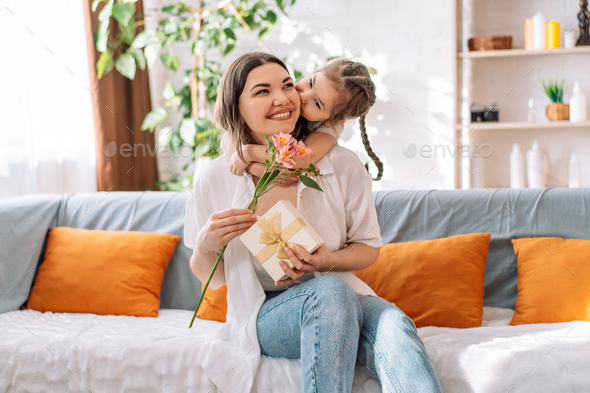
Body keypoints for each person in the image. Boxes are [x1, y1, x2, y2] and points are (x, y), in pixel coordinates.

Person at [183, 52, 442, 393]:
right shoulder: (217, 177)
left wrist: (328, 260)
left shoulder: (344, 166)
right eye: (262, 91)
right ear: (236, 105)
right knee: (330, 292)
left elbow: (369, 246)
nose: (283, 98)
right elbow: (212, 280)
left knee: (394, 324)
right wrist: (207, 244)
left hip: (346, 299)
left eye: (288, 85)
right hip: (266, 313)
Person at [220, 58, 384, 186]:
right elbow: (229, 132)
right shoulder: (285, 93)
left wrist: (250, 153)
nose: (303, 96)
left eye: (317, 103)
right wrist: (253, 167)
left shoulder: (329, 131)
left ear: (334, 120)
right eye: (311, 83)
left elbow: (301, 159)